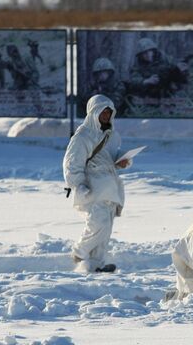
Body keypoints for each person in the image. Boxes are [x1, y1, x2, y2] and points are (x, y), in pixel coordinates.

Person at [63, 94, 131, 273]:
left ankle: (95, 265)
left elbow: (108, 158)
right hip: (93, 188)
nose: (106, 116)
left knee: (105, 230)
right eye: (103, 112)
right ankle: (80, 252)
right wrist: (77, 185)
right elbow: (71, 164)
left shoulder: (112, 136)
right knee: (97, 224)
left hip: (110, 188)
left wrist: (121, 161)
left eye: (109, 113)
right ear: (93, 112)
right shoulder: (83, 136)